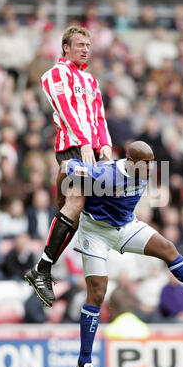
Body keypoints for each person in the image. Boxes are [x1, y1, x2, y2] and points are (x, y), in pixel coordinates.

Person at [57, 140, 183, 367]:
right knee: (98, 292)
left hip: (126, 226)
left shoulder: (147, 170)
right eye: (146, 164)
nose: (150, 168)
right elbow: (65, 167)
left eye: (152, 163)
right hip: (96, 232)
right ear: (131, 162)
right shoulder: (104, 173)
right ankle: (85, 362)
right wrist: (64, 206)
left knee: (168, 248)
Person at [25, 26, 112, 307]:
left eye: (88, 44)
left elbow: (99, 116)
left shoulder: (91, 81)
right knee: (74, 205)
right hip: (72, 149)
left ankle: (44, 268)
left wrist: (105, 146)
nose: (85, 48)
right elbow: (64, 108)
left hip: (93, 152)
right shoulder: (54, 75)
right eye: (79, 44)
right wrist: (86, 143)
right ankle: (43, 269)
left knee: (80, 214)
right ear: (65, 47)